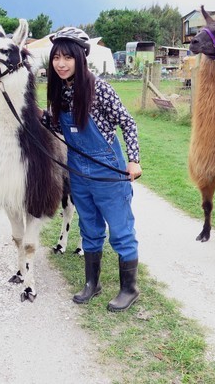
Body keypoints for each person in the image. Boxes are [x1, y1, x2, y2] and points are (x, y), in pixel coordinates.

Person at [43, 27, 142, 312]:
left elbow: (128, 123)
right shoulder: (60, 91)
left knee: (120, 231)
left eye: (67, 58)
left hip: (108, 171)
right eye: (56, 58)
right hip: (78, 173)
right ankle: (92, 283)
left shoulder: (100, 90)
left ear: (80, 58)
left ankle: (129, 289)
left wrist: (133, 160)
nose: (61, 64)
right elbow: (57, 125)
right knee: (89, 228)